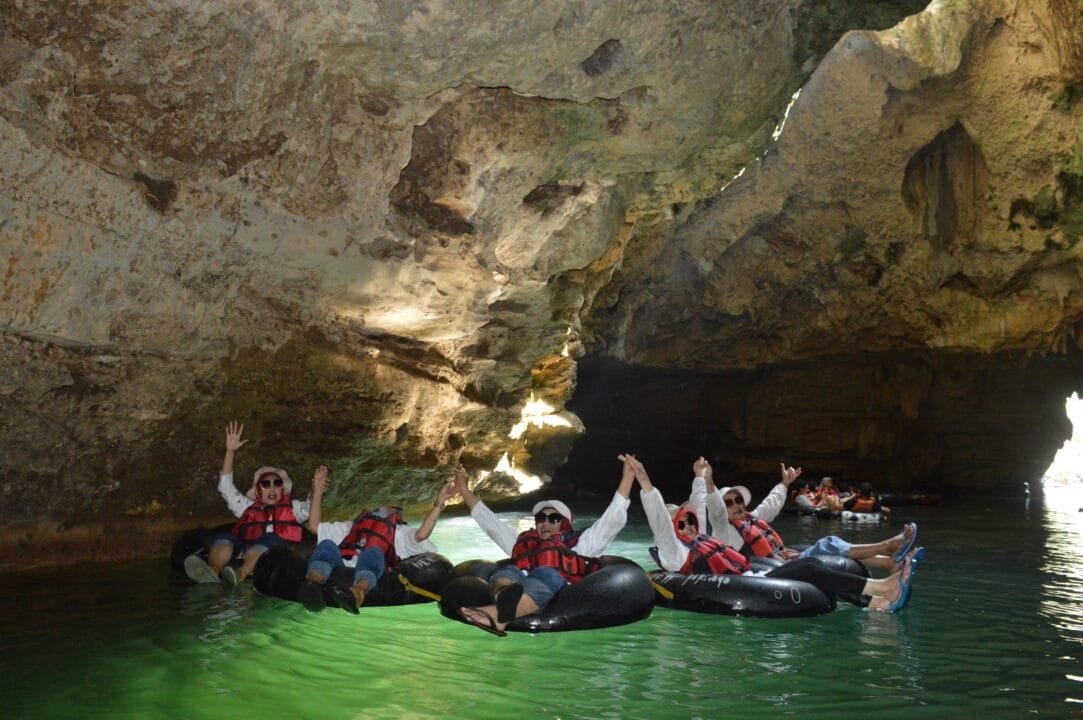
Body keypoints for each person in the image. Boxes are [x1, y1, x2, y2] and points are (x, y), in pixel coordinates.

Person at [634, 457, 923, 612]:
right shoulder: (675, 552)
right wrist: (646, 483)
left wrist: (700, 477)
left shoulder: (704, 531)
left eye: (689, 519)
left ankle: (877, 602)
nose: (688, 525)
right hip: (743, 582)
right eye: (680, 524)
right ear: (673, 530)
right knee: (812, 564)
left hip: (754, 575)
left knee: (812, 567)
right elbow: (662, 521)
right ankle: (882, 586)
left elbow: (704, 505)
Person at [452, 454, 638, 636]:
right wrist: (465, 490)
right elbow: (491, 525)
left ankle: (498, 615)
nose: (545, 522)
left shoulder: (582, 544)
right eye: (541, 518)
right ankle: (504, 599)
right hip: (519, 584)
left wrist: (628, 477)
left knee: (547, 572)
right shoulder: (525, 543)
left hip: (560, 590)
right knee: (508, 571)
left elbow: (612, 519)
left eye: (553, 518)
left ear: (564, 522)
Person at [701, 460, 917, 572]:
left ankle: (889, 563)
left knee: (832, 549)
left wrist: (784, 483)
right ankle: (886, 546)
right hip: (777, 568)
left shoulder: (751, 518)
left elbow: (771, 504)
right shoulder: (724, 529)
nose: (737, 505)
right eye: (729, 502)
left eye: (738, 500)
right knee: (828, 543)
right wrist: (709, 481)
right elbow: (716, 510)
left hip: (785, 557)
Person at [297, 466, 458, 613]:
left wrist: (440, 502)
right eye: (380, 507)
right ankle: (313, 585)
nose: (383, 509)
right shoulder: (353, 526)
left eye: (391, 509)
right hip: (341, 565)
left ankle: (357, 593)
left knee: (373, 551)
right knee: (326, 545)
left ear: (397, 517)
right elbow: (314, 527)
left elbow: (421, 535)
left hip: (370, 571)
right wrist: (317, 490)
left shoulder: (400, 533)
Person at [185, 421, 314, 585]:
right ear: (259, 489)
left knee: (269, 538)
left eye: (277, 484)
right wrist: (230, 452)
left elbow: (309, 508)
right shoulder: (246, 507)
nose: (272, 489)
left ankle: (240, 574)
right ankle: (213, 571)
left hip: (277, 549)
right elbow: (226, 487)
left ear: (283, 489)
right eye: (266, 484)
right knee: (225, 537)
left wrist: (316, 489)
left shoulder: (293, 507)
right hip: (246, 546)